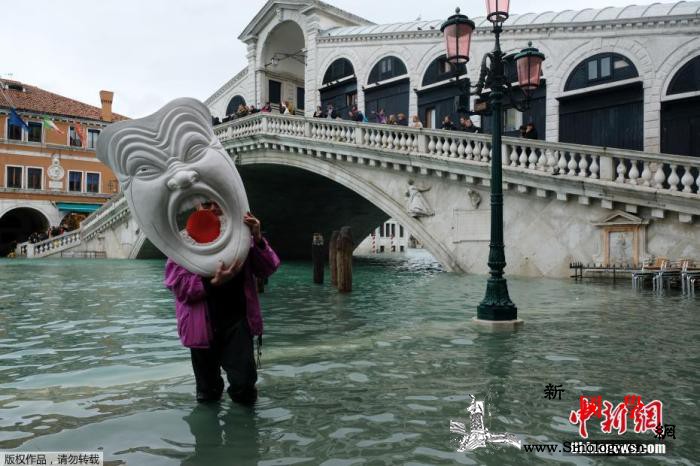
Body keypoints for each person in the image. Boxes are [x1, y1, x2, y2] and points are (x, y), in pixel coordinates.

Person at [164, 202, 280, 405]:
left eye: (217, 204)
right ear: (197, 207)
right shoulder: (183, 243)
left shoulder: (242, 238)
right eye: (207, 205)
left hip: (238, 323)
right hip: (199, 328)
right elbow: (179, 286)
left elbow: (267, 268)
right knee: (207, 393)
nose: (213, 209)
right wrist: (211, 283)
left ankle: (244, 432)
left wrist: (258, 238)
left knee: (244, 387)